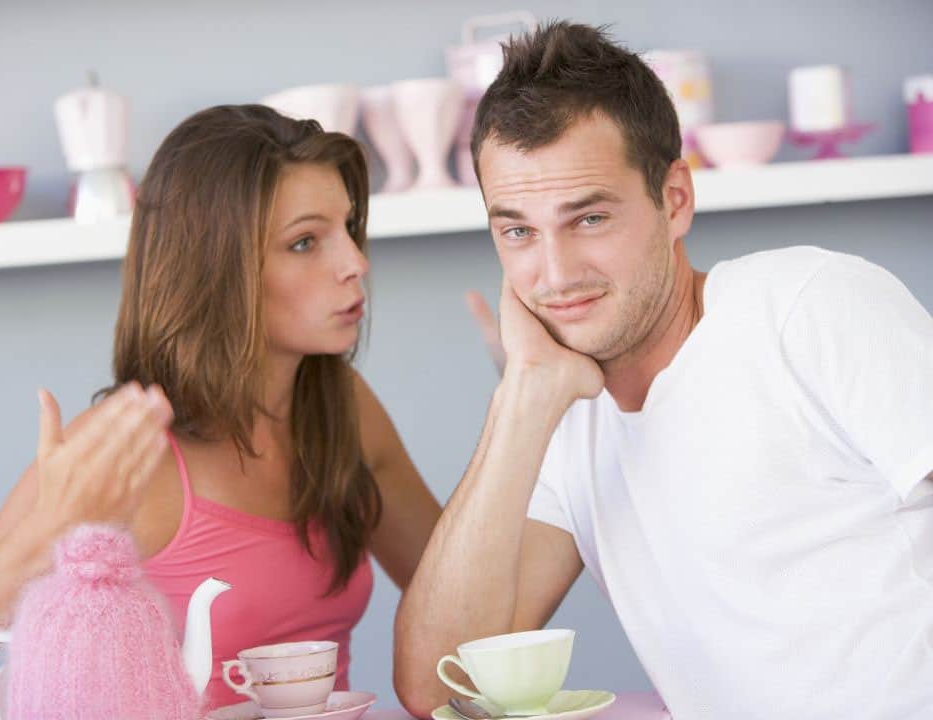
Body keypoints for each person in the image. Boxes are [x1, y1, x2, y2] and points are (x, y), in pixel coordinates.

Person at [394, 22, 933, 720]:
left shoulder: (809, 305)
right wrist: (523, 397)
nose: (554, 275)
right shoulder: (561, 414)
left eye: (588, 219)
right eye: (518, 231)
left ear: (674, 199)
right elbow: (438, 686)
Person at [0, 105, 441, 710]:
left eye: (349, 228)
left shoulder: (343, 409)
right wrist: (51, 530)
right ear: (216, 269)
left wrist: (528, 405)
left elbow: (458, 600)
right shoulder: (132, 447)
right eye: (305, 242)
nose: (355, 263)